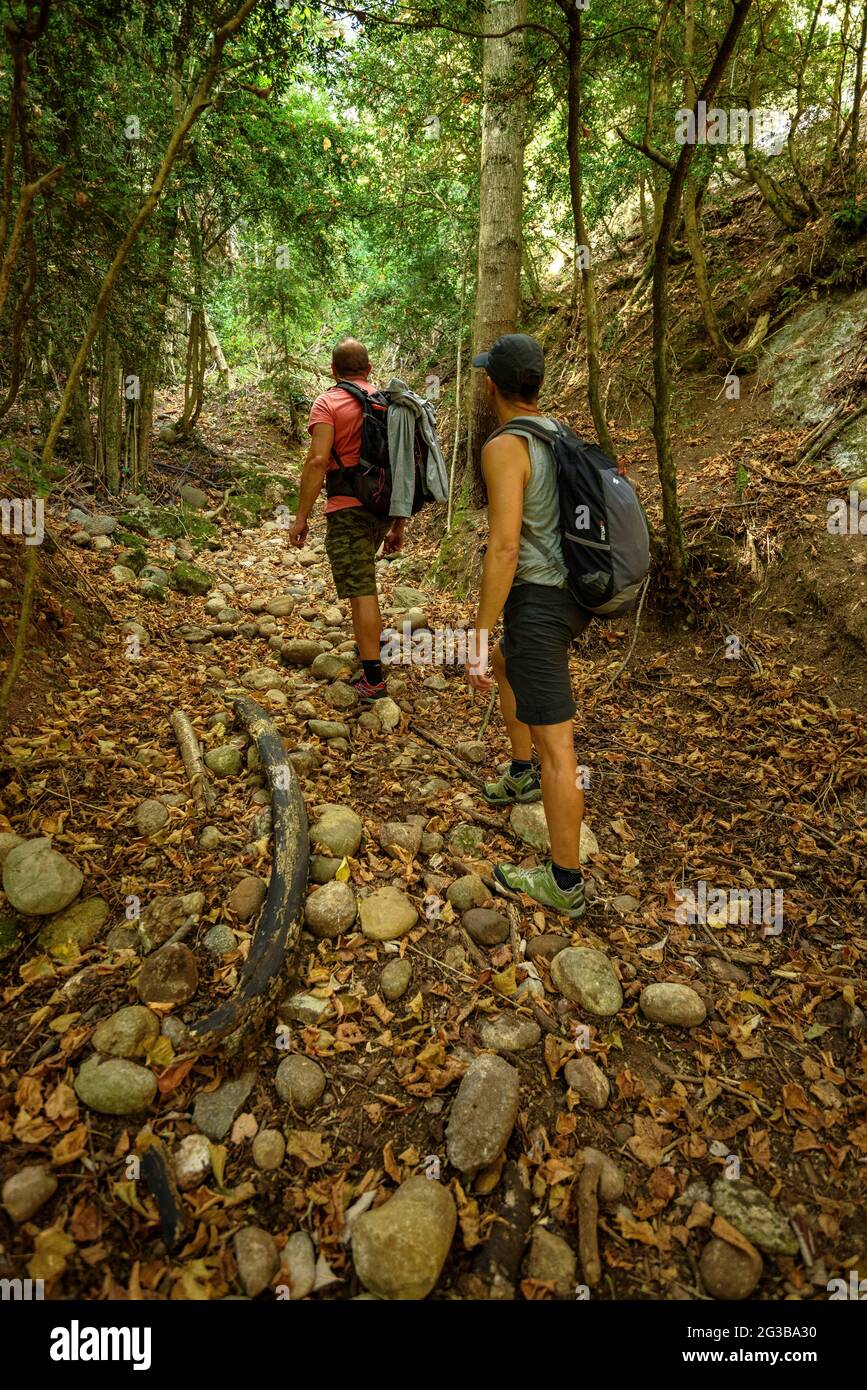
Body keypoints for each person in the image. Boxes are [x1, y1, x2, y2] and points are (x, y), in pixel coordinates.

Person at [466, 333, 590, 918]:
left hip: (540, 600)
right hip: (569, 595)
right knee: (506, 663)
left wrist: (478, 630)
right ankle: (520, 773)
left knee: (559, 749)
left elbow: (506, 546)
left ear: (491, 384)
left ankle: (564, 881)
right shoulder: (560, 433)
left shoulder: (506, 446)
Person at [288, 337, 404, 701]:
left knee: (361, 590)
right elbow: (403, 468)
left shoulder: (328, 402)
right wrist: (400, 523)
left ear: (333, 371)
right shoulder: (390, 404)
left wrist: (301, 517)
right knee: (364, 579)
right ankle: (373, 646)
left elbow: (317, 461)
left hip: (347, 508)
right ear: (369, 369)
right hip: (383, 509)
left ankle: (374, 679)